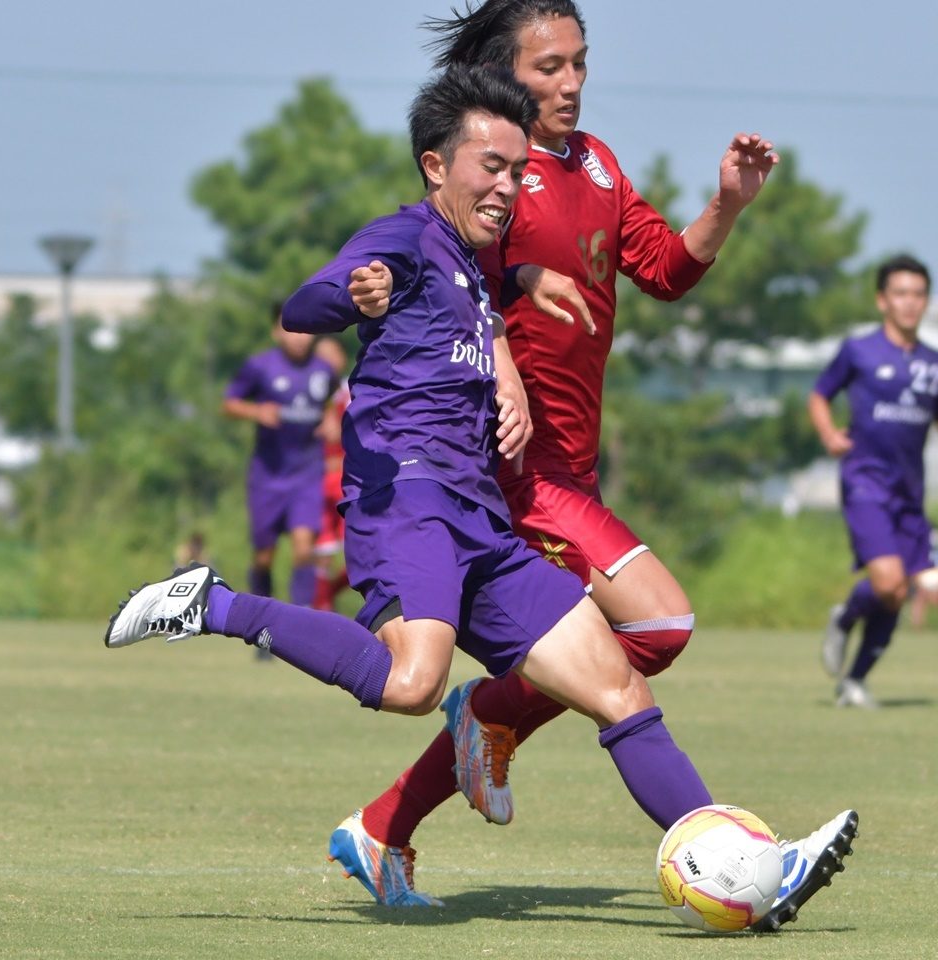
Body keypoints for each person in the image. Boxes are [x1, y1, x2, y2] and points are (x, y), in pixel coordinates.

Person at [104, 62, 746, 915]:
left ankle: (731, 862)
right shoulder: (404, 239)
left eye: (519, 171)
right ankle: (217, 605)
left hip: (480, 518)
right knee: (412, 687)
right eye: (492, 167)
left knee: (619, 686)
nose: (510, 187)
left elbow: (489, 303)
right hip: (409, 500)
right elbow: (306, 305)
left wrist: (511, 340)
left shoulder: (476, 272)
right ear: (435, 165)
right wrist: (350, 292)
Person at [338, 0, 857, 929]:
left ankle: (392, 817)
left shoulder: (600, 163)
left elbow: (664, 268)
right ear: (505, 72)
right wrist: (502, 342)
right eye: (548, 67)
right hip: (510, 474)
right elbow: (447, 268)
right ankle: (726, 854)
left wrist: (728, 203)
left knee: (621, 654)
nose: (571, 82)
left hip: (574, 469)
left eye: (580, 62)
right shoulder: (492, 175)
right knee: (658, 624)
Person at [811, 254, 938, 708]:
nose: (910, 303)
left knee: (900, 592)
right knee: (888, 582)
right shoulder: (859, 351)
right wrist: (829, 433)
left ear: (927, 302)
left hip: (910, 491)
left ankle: (853, 682)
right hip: (865, 480)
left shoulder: (935, 363)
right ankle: (845, 619)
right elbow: (819, 394)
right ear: (882, 300)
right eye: (901, 293)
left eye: (918, 294)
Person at [223, 308, 338, 609]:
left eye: (304, 331)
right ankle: (260, 622)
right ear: (276, 332)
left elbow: (330, 402)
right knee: (264, 555)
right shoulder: (260, 367)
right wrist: (256, 411)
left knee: (304, 549)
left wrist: (330, 420)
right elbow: (230, 403)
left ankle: (299, 625)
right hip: (267, 475)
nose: (298, 338)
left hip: (307, 473)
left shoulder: (323, 371)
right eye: (290, 330)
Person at [311, 336, 352, 612]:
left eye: (331, 354)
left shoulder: (352, 389)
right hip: (317, 480)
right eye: (320, 355)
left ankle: (329, 596)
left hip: (347, 480)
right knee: (321, 553)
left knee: (357, 551)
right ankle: (321, 607)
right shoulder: (310, 391)